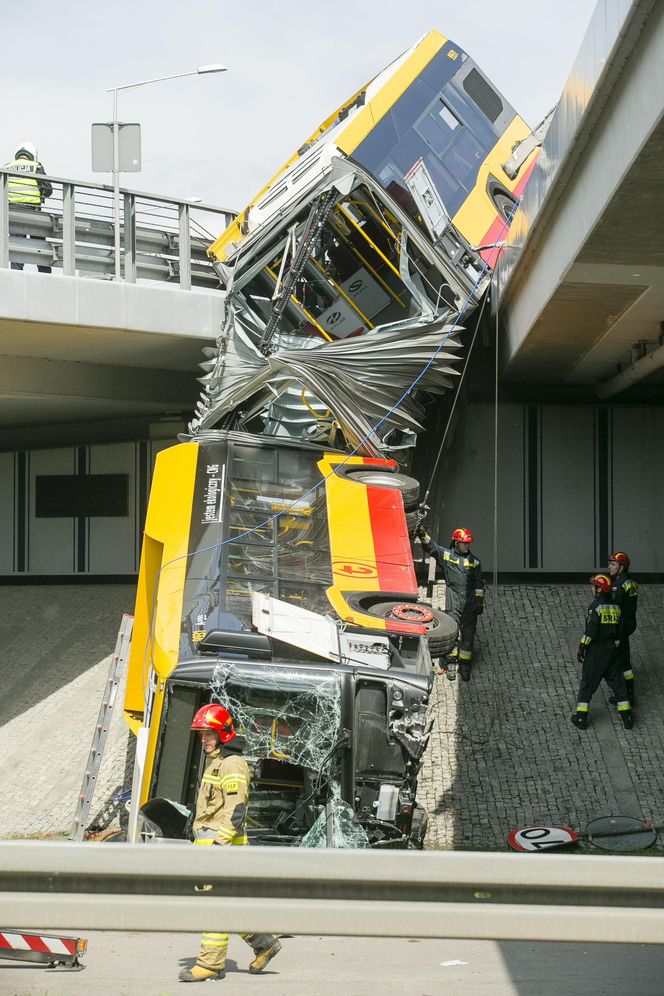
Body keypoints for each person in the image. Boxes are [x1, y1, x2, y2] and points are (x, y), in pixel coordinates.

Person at [178, 703, 282, 984]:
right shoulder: (216, 761)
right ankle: (264, 943)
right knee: (227, 904)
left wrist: (219, 846)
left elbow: (237, 809)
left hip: (221, 849)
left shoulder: (232, 764)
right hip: (211, 847)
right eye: (201, 734)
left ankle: (209, 965)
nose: (203, 739)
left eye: (208, 733)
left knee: (215, 907)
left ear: (223, 733)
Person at [417, 525, 484, 682]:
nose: (467, 546)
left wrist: (479, 601)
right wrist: (423, 534)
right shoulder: (447, 556)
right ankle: (451, 663)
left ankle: (465, 665)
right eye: (464, 543)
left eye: (468, 543)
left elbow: (479, 583)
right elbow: (432, 547)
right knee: (453, 631)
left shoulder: (475, 562)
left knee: (468, 634)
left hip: (469, 602)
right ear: (456, 543)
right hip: (453, 599)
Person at [571, 574, 633, 731]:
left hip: (596, 652)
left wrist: (581, 647)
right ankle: (627, 716)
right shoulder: (616, 608)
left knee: (587, 684)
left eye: (595, 587)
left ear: (600, 590)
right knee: (619, 684)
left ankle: (581, 717)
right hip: (612, 651)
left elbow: (591, 631)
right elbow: (620, 632)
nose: (592, 589)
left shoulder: (596, 607)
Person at [4, 141, 53, 273]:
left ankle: (15, 276)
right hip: (33, 212)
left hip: (12, 212)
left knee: (17, 246)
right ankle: (45, 275)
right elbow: (48, 189)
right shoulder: (36, 166)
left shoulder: (7, 167)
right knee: (39, 246)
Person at [607, 551, 638, 706]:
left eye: (613, 564)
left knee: (616, 662)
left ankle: (623, 696)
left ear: (622, 567)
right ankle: (629, 692)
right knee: (625, 661)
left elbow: (615, 609)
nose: (609, 567)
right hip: (628, 626)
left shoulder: (617, 586)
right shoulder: (631, 584)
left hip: (619, 628)